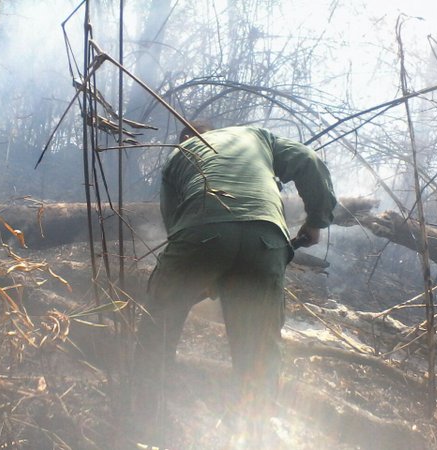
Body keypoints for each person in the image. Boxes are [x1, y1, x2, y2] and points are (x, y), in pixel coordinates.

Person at [132, 121, 337, 446]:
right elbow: (309, 160)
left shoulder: (179, 154)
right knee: (258, 347)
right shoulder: (257, 136)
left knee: (160, 321)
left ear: (188, 138)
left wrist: (205, 271)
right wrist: (316, 221)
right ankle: (253, 434)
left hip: (199, 235)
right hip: (265, 238)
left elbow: (175, 224)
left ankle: (142, 420)